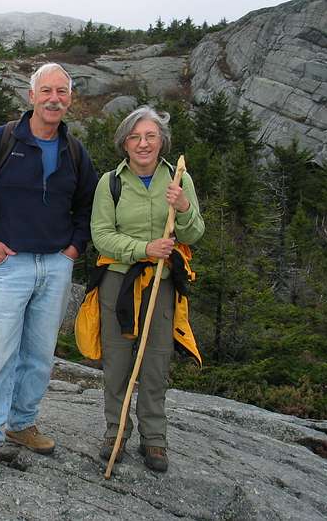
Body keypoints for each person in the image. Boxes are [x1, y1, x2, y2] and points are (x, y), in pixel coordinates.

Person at [0, 62, 98, 477]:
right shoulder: (0, 141)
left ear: (70, 99)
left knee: (39, 356)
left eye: (63, 92)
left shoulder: (75, 151)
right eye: (47, 91)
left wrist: (73, 249)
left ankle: (21, 424)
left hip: (55, 266)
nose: (55, 99)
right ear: (31, 96)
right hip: (9, 264)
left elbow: (88, 204)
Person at [83, 106, 205, 472]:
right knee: (118, 361)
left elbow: (194, 232)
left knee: (155, 362)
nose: (143, 143)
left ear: (162, 141)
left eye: (150, 136)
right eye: (135, 137)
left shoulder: (179, 180)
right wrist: (144, 250)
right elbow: (100, 236)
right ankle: (115, 432)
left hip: (162, 285)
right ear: (124, 143)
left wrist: (182, 207)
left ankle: (155, 439)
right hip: (118, 281)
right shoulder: (111, 182)